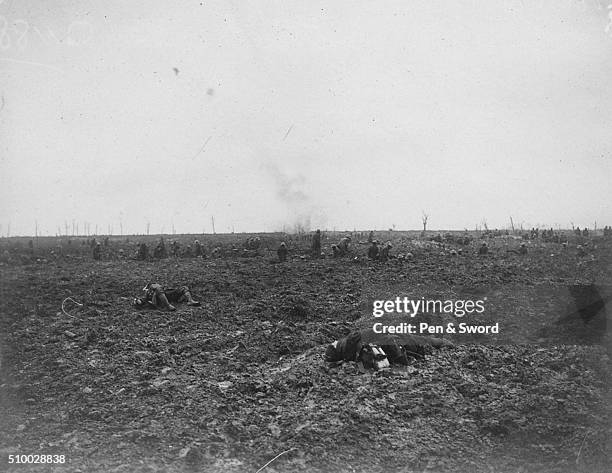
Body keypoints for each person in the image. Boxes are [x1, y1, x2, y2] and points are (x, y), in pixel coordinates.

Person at [133, 283, 200, 311]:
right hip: (161, 299)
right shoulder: (148, 296)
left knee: (184, 288)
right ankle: (168, 306)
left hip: (168, 294)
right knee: (158, 289)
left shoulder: (160, 289)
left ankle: (190, 301)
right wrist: (137, 301)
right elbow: (141, 301)